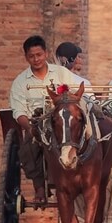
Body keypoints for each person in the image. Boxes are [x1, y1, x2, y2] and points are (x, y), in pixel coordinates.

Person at [9, 35, 79, 203]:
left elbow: (76, 96)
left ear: (46, 53)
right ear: (26, 57)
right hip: (37, 122)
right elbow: (19, 112)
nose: (36, 59)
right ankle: (40, 187)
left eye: (39, 55)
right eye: (32, 56)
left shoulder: (61, 73)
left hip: (63, 120)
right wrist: (30, 128)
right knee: (29, 146)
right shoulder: (20, 82)